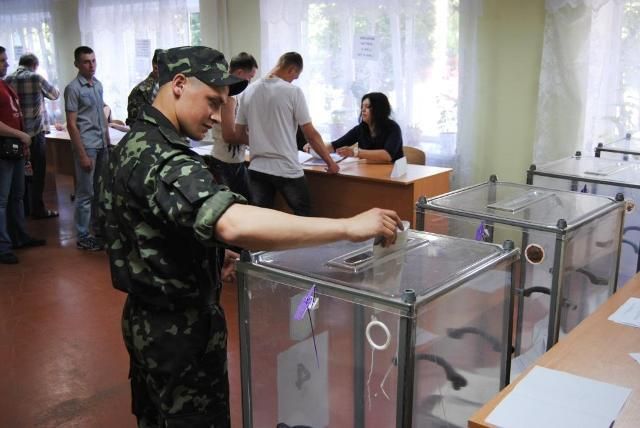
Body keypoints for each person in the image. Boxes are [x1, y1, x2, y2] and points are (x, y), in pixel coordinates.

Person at [100, 45, 402, 427]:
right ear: (178, 84)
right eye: (211, 101)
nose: (216, 116)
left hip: (150, 319)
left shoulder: (133, 143)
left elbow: (144, 230)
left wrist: (207, 256)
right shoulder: (161, 157)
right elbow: (233, 224)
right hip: (179, 331)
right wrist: (347, 227)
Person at [235, 51, 338, 216]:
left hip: (257, 169)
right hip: (286, 169)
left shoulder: (248, 91)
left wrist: (259, 142)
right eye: (295, 76)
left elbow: (238, 133)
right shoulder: (293, 92)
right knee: (305, 217)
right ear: (291, 69)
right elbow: (310, 134)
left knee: (261, 222)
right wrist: (330, 162)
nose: (293, 80)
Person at [0, 46, 46, 264]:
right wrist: (20, 134)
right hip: (4, 149)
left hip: (16, 148)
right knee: (2, 200)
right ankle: (3, 246)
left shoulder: (5, 84)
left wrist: (22, 139)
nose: (7, 64)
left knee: (17, 196)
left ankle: (19, 236)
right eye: (2, 61)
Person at [64, 46, 110, 251]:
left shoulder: (97, 85)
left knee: (100, 191)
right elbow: (72, 124)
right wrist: (82, 154)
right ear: (77, 64)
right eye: (86, 62)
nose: (91, 65)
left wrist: (107, 142)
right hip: (87, 146)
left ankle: (97, 229)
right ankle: (83, 235)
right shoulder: (73, 89)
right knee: (85, 193)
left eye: (93, 61)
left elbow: (101, 115)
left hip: (101, 145)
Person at [5, 53, 61, 219]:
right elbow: (55, 94)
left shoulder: (7, 80)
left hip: (15, 134)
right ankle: (38, 209)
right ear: (35, 65)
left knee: (19, 174)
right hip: (35, 134)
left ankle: (22, 210)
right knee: (38, 173)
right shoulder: (36, 78)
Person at [208, 52, 258, 200]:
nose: (249, 82)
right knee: (234, 205)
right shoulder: (228, 95)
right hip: (224, 164)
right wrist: (258, 140)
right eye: (250, 77)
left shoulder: (233, 94)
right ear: (240, 72)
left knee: (248, 203)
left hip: (235, 162)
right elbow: (229, 135)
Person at [310, 92, 404, 162]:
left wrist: (355, 152)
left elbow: (387, 155)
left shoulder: (393, 128)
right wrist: (314, 145)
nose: (363, 110)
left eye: (367, 107)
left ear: (379, 109)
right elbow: (334, 145)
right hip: (368, 172)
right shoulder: (360, 129)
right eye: (362, 106)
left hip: (392, 174)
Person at [126, 49, 161, 126]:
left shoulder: (174, 87)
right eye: (157, 66)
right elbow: (134, 124)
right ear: (154, 65)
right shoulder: (139, 92)